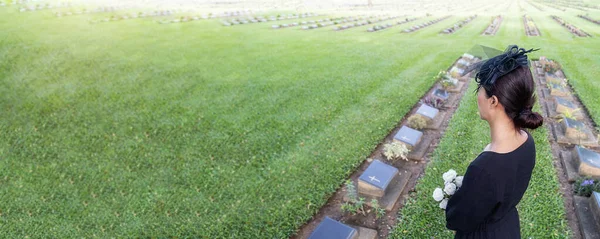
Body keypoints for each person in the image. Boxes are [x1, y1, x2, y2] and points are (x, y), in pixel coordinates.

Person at [445, 45, 543, 239]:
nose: (478, 96)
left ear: (493, 101)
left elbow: (457, 219)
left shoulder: (484, 168)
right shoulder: (526, 141)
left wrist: (454, 197)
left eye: (480, 89)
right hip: (507, 228)